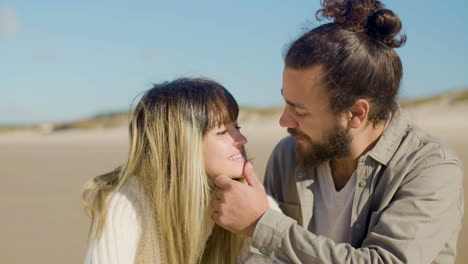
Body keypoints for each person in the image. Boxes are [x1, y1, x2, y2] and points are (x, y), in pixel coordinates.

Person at [210, 0, 464, 263]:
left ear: (355, 114)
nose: (284, 121)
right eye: (285, 102)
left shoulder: (430, 167)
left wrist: (261, 224)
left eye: (300, 111)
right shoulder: (287, 156)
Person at [82, 78, 281, 264]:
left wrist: (261, 224)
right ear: (181, 146)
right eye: (222, 131)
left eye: (237, 126)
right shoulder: (126, 204)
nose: (242, 139)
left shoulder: (247, 199)